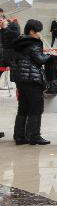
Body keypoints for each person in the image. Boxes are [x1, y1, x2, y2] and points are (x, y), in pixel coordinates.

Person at [10, 20, 52, 145]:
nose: (40, 34)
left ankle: (19, 136)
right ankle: (34, 136)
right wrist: (50, 56)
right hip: (33, 80)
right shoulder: (34, 43)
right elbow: (39, 60)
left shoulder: (18, 42)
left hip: (20, 80)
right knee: (36, 108)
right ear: (32, 31)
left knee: (22, 108)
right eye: (38, 31)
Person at [0, 8, 22, 140]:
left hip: (11, 59)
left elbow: (16, 35)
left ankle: (20, 132)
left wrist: (5, 27)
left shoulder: (11, 23)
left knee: (21, 89)